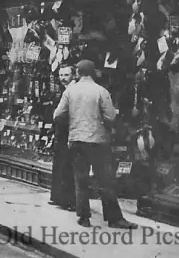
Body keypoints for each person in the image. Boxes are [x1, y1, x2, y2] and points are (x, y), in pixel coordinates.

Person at [54, 60, 137, 229]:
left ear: (77, 73)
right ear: (94, 73)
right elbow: (111, 116)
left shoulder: (70, 91)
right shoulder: (101, 91)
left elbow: (57, 115)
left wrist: (73, 122)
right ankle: (114, 219)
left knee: (81, 180)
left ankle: (84, 217)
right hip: (98, 141)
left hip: (77, 140)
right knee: (105, 180)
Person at [48, 65, 76, 211]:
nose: (63, 78)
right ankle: (59, 197)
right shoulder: (63, 90)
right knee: (60, 164)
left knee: (67, 166)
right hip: (61, 132)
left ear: (73, 75)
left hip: (68, 132)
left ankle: (68, 200)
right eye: (61, 75)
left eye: (66, 75)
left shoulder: (73, 90)